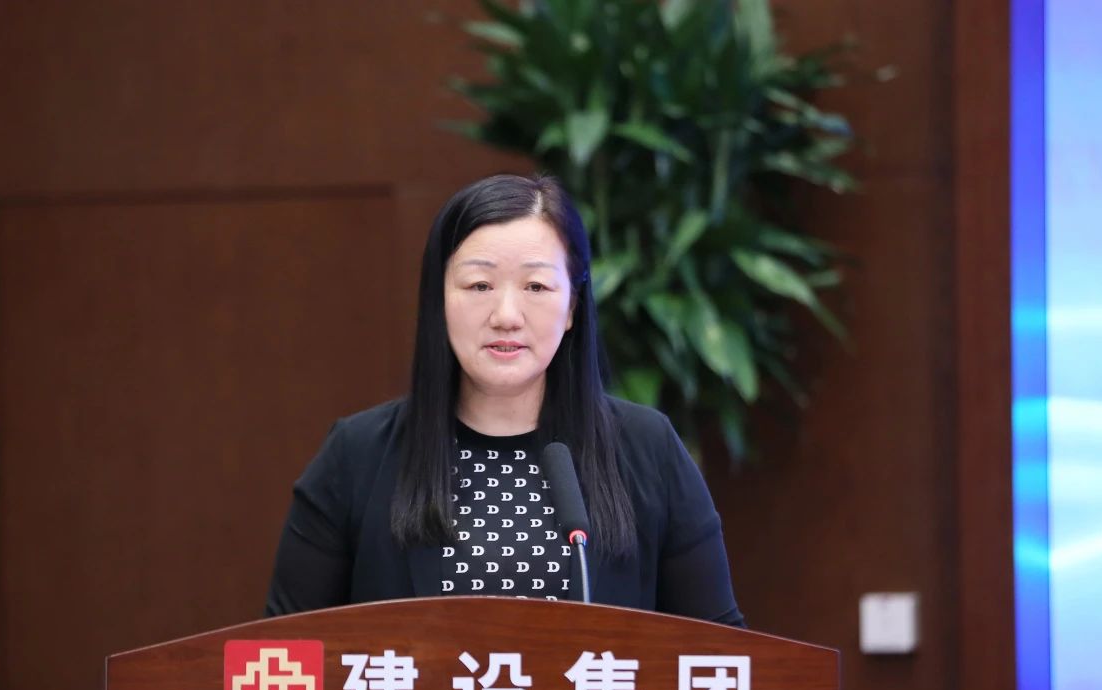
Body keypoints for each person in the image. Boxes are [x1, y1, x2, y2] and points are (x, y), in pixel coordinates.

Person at [265, 174, 744, 627]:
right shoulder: (357, 455)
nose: (507, 315)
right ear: (438, 300)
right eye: (480, 286)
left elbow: (725, 659)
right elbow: (277, 658)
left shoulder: (648, 449)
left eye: (536, 287)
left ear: (572, 307)